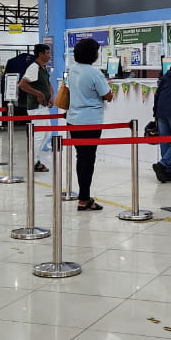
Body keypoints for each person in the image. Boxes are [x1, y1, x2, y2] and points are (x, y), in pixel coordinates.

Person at [66, 37, 113, 211]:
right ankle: (84, 198)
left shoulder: (73, 70)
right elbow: (107, 95)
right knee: (88, 160)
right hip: (90, 121)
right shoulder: (94, 73)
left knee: (81, 157)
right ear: (92, 54)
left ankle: (83, 196)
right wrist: (110, 90)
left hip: (73, 120)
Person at [17, 44, 52, 172]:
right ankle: (33, 162)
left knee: (47, 133)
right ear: (41, 54)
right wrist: (38, 94)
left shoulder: (43, 68)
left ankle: (36, 160)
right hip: (36, 107)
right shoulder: (33, 67)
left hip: (43, 106)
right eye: (47, 53)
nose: (49, 55)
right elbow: (22, 84)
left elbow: (47, 84)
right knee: (39, 135)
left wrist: (50, 97)